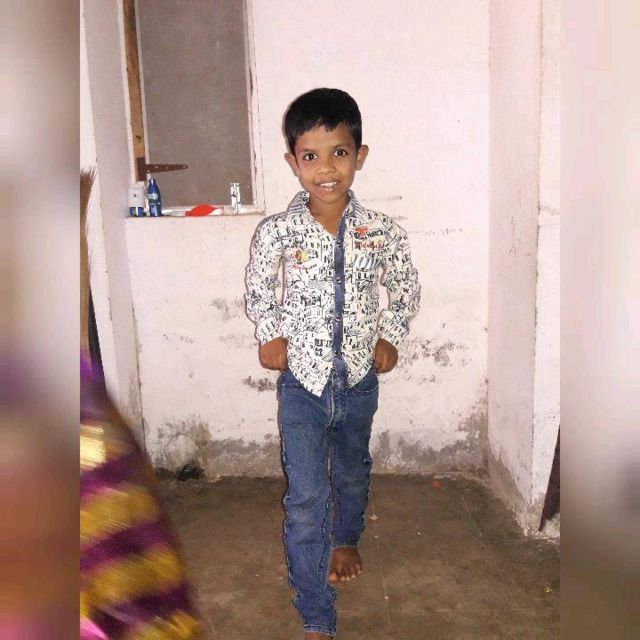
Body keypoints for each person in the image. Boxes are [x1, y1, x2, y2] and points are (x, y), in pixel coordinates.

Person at [245, 88, 421, 639]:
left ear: (359, 156)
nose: (326, 168)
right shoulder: (277, 231)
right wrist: (270, 334)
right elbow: (259, 289)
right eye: (311, 156)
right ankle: (316, 614)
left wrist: (390, 335)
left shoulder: (381, 231)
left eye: (339, 152)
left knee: (350, 471)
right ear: (293, 162)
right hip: (302, 385)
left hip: (359, 382)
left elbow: (405, 287)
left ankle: (345, 539)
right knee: (305, 498)